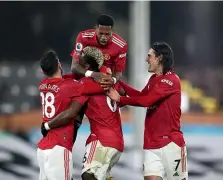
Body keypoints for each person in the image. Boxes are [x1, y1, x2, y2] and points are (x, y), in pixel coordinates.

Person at [107, 42, 188, 180]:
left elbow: (147, 101)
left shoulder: (171, 80)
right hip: (151, 144)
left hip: (171, 144)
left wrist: (120, 99)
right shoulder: (153, 79)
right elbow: (141, 96)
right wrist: (118, 82)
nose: (146, 59)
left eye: (149, 56)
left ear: (159, 58)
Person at [43, 48, 125, 180]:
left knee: (88, 175)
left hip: (102, 142)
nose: (75, 62)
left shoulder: (85, 83)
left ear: (86, 66)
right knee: (98, 176)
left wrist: (47, 125)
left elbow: (71, 111)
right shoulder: (108, 78)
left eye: (78, 60)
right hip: (117, 143)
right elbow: (124, 93)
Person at [70, 14, 127, 89]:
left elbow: (118, 73)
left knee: (123, 92)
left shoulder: (121, 45)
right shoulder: (83, 37)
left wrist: (113, 80)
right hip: (83, 77)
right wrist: (93, 74)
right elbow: (74, 66)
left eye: (107, 34)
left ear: (112, 31)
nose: (104, 37)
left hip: (106, 83)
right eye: (101, 33)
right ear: (95, 29)